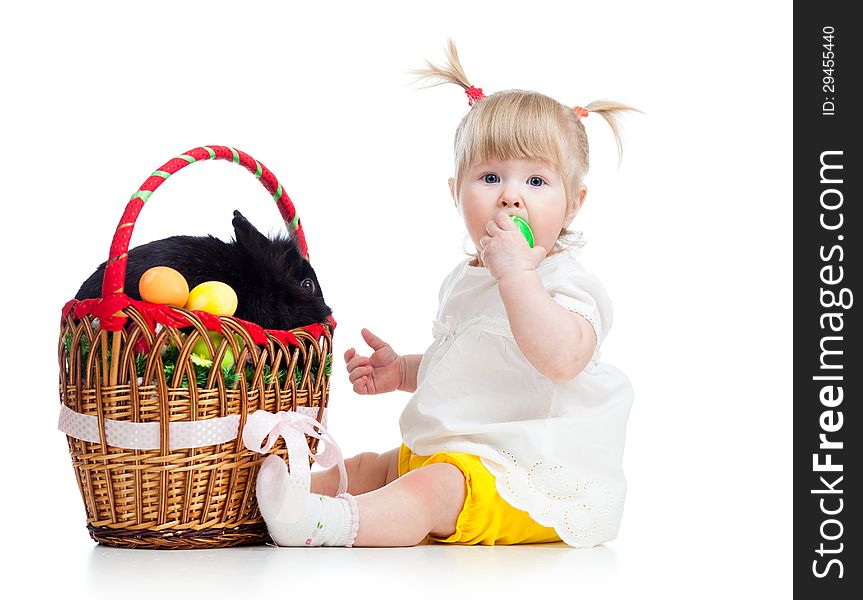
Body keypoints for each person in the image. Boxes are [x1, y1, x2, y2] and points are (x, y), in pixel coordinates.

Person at [253, 38, 638, 548]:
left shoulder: (564, 285)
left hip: (522, 474)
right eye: (491, 176)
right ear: (456, 192)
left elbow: (562, 359)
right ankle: (281, 501)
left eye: (538, 180)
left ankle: (327, 525)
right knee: (374, 465)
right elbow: (467, 359)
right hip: (455, 451)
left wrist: (518, 278)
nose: (511, 195)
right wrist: (405, 371)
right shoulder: (466, 278)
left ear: (573, 205)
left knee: (430, 488)